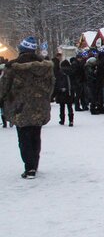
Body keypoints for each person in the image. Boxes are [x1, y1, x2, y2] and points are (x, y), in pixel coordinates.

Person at [0, 37, 55, 178]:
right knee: (36, 136)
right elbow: (51, 85)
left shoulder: (13, 67)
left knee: (24, 138)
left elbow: (4, 87)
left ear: (21, 50)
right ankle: (34, 165)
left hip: (20, 107)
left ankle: (29, 168)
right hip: (39, 107)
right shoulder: (46, 66)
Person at [54, 60, 75, 126]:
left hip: (61, 91)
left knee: (62, 106)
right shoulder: (71, 71)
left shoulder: (59, 72)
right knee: (70, 106)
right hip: (69, 91)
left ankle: (62, 120)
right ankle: (71, 121)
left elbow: (56, 82)